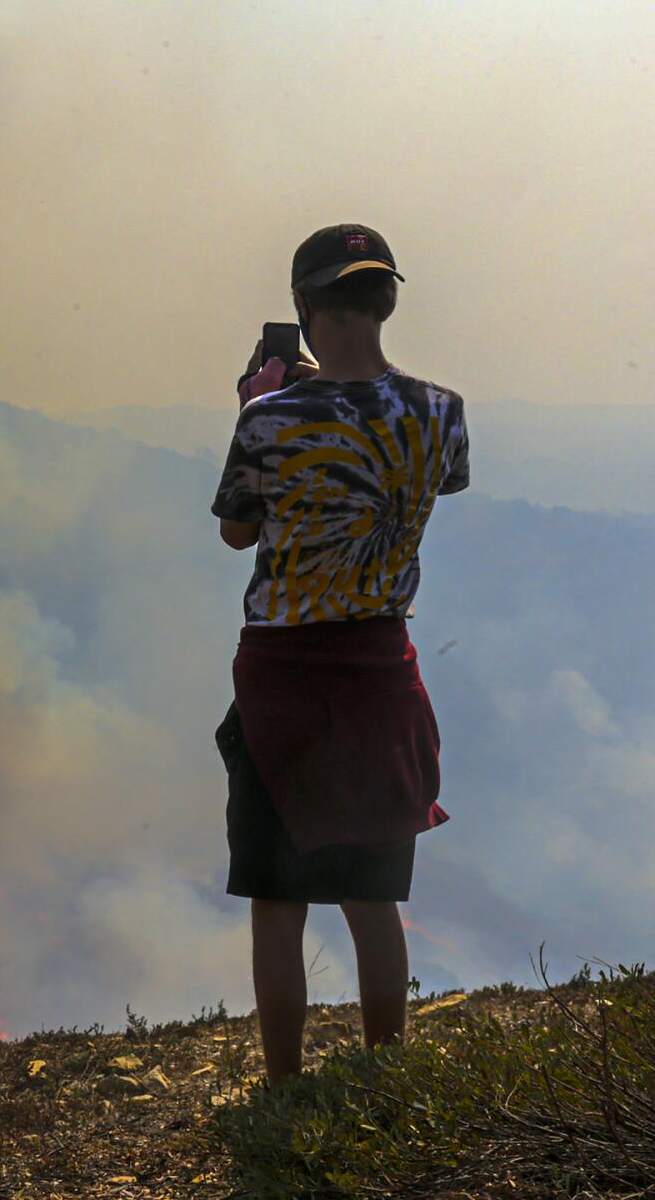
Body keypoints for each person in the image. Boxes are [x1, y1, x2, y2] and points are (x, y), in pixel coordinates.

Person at [210, 222, 469, 1085]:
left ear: (304, 306)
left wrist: (260, 402)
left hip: (284, 674)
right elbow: (428, 478)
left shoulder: (269, 418)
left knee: (279, 903)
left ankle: (284, 1089)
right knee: (372, 899)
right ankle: (386, 1080)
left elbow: (237, 533)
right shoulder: (441, 411)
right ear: (386, 299)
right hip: (380, 668)